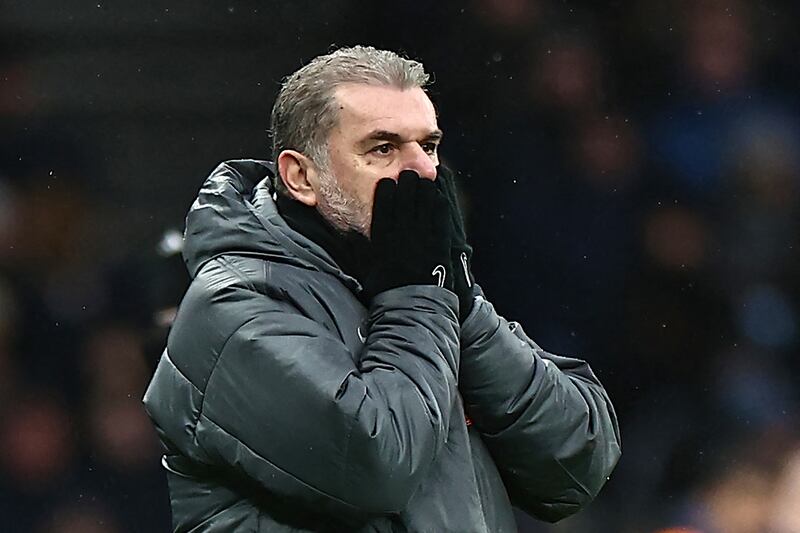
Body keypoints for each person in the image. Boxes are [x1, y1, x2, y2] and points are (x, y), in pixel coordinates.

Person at [143, 45, 621, 532]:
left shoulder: (420, 288)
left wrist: (462, 302)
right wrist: (419, 293)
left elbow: (575, 466)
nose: (424, 172)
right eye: (383, 148)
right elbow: (378, 464)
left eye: (428, 146)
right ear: (301, 177)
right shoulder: (233, 307)